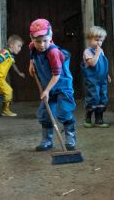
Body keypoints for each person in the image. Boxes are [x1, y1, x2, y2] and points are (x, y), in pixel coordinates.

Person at [28, 18, 77, 151]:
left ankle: (70, 138)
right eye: (38, 41)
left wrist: (46, 90)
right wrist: (31, 64)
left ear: (51, 36)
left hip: (61, 85)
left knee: (64, 111)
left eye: (45, 40)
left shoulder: (53, 52)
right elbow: (31, 52)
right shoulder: (33, 46)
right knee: (45, 113)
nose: (42, 44)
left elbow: (56, 74)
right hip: (47, 87)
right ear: (32, 38)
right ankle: (46, 140)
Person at [81, 26, 111, 128]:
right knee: (93, 97)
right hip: (92, 80)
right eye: (96, 40)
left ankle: (99, 119)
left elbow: (103, 65)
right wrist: (97, 53)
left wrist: (107, 74)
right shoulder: (88, 52)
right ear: (90, 39)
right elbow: (93, 63)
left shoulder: (101, 51)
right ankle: (88, 117)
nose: (99, 43)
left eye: (101, 40)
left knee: (103, 97)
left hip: (102, 79)